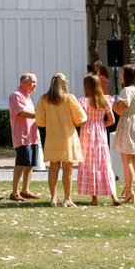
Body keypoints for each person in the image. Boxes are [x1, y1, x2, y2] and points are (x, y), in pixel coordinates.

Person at [35, 73, 87, 207]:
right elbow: (81, 118)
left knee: (53, 168)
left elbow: (40, 121)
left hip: (52, 137)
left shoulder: (44, 99)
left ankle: (53, 198)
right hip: (67, 136)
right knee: (67, 169)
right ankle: (67, 199)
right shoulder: (69, 98)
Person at [77, 74, 120, 206]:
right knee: (104, 163)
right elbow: (112, 120)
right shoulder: (105, 100)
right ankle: (114, 197)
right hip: (100, 133)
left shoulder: (84, 101)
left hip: (87, 132)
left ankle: (94, 198)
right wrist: (101, 125)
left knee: (90, 163)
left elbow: (80, 119)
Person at [112, 64, 135, 203]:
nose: (120, 76)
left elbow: (120, 110)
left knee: (127, 161)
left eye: (122, 73)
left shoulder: (127, 90)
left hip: (128, 125)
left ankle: (129, 191)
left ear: (127, 75)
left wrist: (112, 103)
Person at [8, 73, 41, 202]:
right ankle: (14, 192)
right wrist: (41, 114)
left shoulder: (27, 96)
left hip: (31, 136)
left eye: (36, 82)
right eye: (32, 82)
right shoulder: (16, 95)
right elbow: (22, 113)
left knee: (30, 164)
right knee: (21, 164)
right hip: (22, 136)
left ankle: (25, 190)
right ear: (23, 83)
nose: (35, 85)